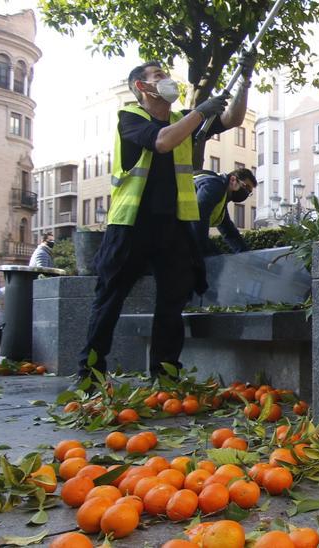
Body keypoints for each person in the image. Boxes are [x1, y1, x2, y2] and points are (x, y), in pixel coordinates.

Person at [76, 59, 249, 381]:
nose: (168, 80)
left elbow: (232, 117)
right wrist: (201, 110)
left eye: (167, 74)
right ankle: (89, 373)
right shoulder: (131, 118)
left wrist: (245, 81)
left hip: (172, 227)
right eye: (159, 76)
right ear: (142, 87)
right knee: (109, 298)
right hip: (131, 225)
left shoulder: (183, 120)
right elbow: (162, 141)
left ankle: (165, 374)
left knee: (172, 300)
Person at [191, 167, 257, 256]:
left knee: (217, 259)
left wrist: (247, 256)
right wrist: (204, 252)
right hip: (174, 226)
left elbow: (229, 231)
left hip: (178, 226)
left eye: (249, 192)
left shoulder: (221, 196)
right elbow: (198, 218)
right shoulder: (214, 186)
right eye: (246, 187)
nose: (246, 193)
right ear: (233, 180)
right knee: (214, 260)